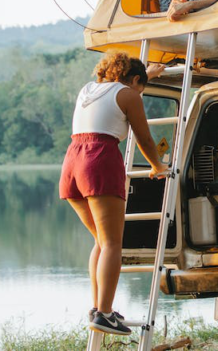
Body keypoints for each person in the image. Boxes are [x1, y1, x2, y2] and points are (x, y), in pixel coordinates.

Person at [59, 52, 168, 335]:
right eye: (141, 86)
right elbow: (143, 136)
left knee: (101, 241)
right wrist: (158, 164)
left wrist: (149, 75)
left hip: (73, 161)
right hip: (99, 160)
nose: (139, 93)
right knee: (112, 244)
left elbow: (118, 90)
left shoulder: (88, 89)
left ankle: (98, 308)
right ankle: (105, 314)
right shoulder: (129, 96)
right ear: (134, 81)